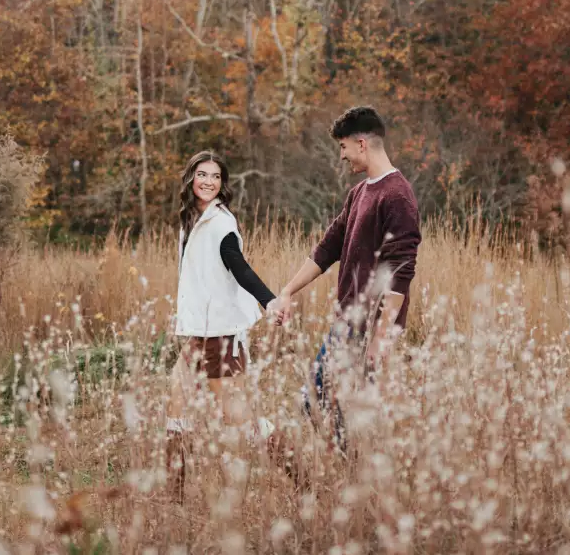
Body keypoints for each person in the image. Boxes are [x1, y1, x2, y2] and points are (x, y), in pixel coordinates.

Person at [268, 106, 422, 457]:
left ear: (362, 143)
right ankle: (351, 477)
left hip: (369, 327)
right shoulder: (359, 194)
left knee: (328, 403)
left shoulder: (397, 195)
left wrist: (380, 339)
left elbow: (401, 272)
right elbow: (327, 249)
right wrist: (287, 292)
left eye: (343, 147)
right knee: (322, 402)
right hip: (346, 322)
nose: (341, 155)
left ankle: (358, 479)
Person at [164, 150, 279, 502]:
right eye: (202, 174)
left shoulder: (221, 224)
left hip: (219, 338)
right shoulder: (192, 220)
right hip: (201, 334)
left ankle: (301, 475)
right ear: (191, 179)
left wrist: (269, 299)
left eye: (215, 176)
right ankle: (175, 499)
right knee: (176, 409)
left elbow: (239, 267)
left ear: (222, 183)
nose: (208, 181)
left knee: (245, 423)